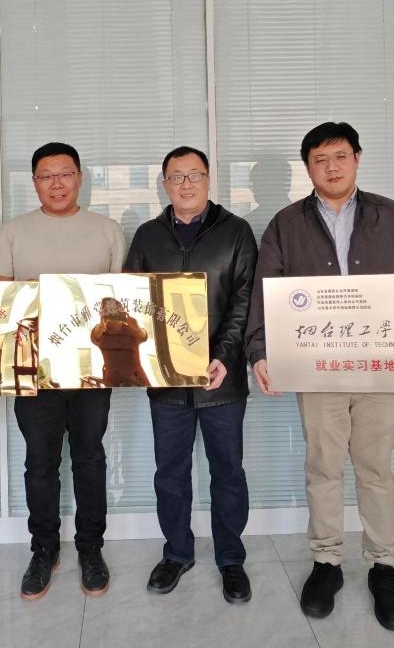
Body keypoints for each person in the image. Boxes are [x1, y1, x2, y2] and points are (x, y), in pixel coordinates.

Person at [244, 122, 394, 631]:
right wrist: (260, 350)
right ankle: (326, 560)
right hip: (317, 367)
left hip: (381, 367)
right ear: (308, 168)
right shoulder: (286, 225)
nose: (331, 167)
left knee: (375, 467)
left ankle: (383, 567)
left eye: (340, 156)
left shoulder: (392, 218)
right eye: (320, 159)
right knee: (323, 465)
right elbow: (265, 293)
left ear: (357, 159)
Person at [0, 142, 125, 600]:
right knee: (40, 463)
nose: (57, 183)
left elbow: (122, 303)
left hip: (92, 370)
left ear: (80, 177)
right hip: (33, 369)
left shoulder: (107, 231)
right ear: (34, 182)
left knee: (90, 458)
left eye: (65, 174)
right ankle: (43, 549)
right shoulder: (13, 233)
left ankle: (91, 548)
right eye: (47, 176)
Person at [125, 145, 258, 603]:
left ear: (208, 179)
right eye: (176, 176)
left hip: (223, 380)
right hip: (166, 383)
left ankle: (231, 558)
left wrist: (224, 355)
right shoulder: (147, 235)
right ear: (164, 184)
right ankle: (177, 553)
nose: (186, 184)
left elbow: (244, 299)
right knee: (170, 473)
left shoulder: (236, 232)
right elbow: (131, 300)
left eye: (194, 175)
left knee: (228, 472)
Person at [90, 297, 149, 387]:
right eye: (107, 310)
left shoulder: (130, 328)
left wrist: (137, 328)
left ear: (122, 310)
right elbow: (95, 336)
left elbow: (144, 336)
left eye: (115, 309)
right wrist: (101, 326)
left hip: (137, 379)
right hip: (114, 382)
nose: (113, 313)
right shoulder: (102, 331)